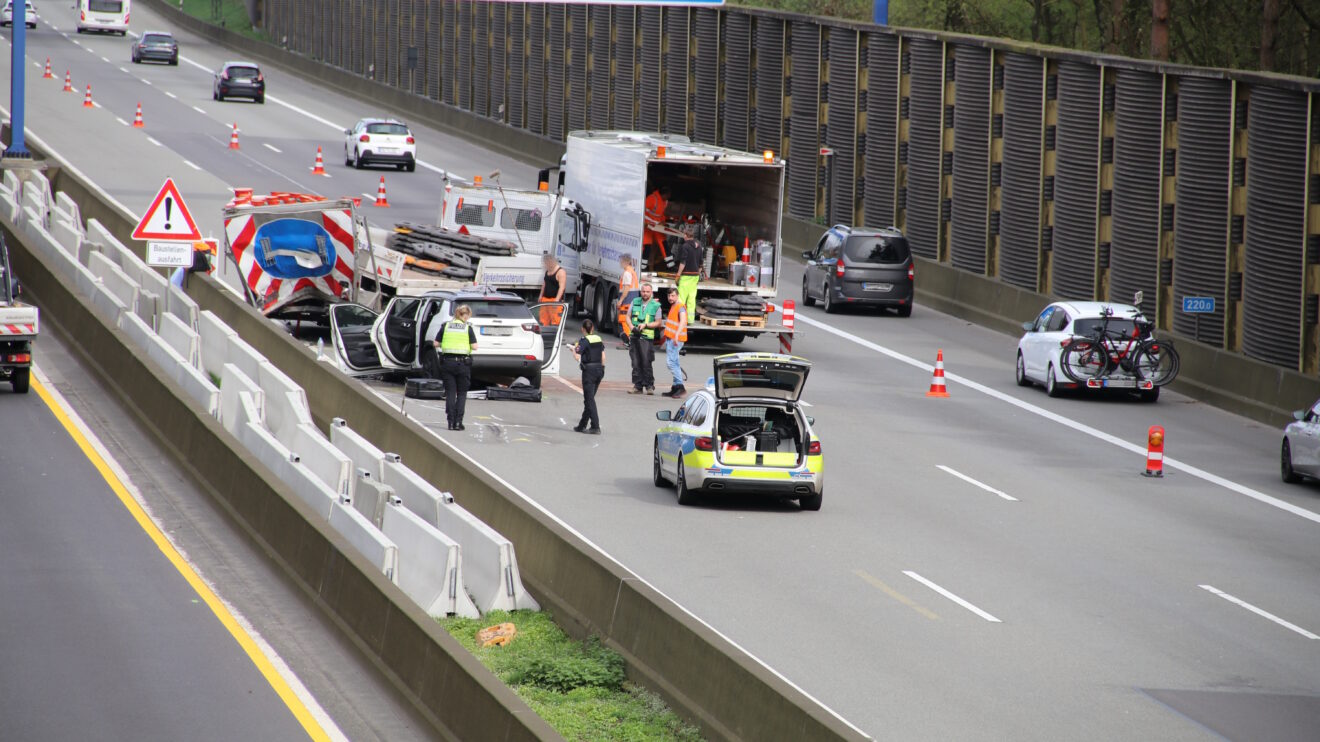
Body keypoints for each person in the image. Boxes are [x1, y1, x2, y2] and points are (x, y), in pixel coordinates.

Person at [432, 304, 478, 430]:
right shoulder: (467, 328)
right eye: (468, 316)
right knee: (462, 393)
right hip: (463, 364)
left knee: (451, 392)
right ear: (466, 315)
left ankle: (450, 422)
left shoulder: (446, 326)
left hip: (447, 363)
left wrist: (447, 343)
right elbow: (474, 347)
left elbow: (435, 343)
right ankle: (458, 422)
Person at [569, 319, 606, 434]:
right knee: (589, 399)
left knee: (589, 400)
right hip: (599, 369)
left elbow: (577, 357)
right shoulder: (598, 339)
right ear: (593, 329)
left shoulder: (584, 341)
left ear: (582, 329)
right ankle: (582, 424)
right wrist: (602, 369)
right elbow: (603, 356)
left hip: (589, 371)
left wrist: (572, 350)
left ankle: (595, 426)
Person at [626, 282, 662, 395]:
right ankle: (637, 386)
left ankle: (649, 386)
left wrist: (646, 325)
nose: (645, 293)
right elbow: (628, 316)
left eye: (647, 292)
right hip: (634, 336)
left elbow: (658, 322)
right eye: (643, 291)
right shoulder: (635, 301)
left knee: (646, 362)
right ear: (640, 291)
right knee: (635, 362)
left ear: (651, 293)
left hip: (647, 338)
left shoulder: (656, 306)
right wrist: (631, 327)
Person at [661, 287, 688, 398]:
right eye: (669, 296)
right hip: (671, 338)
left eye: (672, 296)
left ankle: (680, 387)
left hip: (675, 339)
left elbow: (683, 321)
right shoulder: (674, 306)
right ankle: (675, 387)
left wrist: (676, 335)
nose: (670, 298)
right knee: (675, 363)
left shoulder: (680, 306)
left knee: (671, 363)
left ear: (677, 296)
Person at [673, 224, 703, 318]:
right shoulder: (699, 246)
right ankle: (690, 320)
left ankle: (680, 318)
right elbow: (701, 263)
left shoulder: (685, 246)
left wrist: (678, 274)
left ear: (686, 235)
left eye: (684, 234)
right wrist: (698, 273)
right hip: (695, 276)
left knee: (681, 298)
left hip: (686, 276)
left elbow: (683, 262)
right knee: (691, 299)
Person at [643, 185, 673, 268]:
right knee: (647, 246)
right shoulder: (652, 199)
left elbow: (660, 214)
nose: (669, 197)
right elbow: (642, 210)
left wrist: (663, 221)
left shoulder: (665, 202)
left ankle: (670, 266)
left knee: (664, 244)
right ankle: (642, 267)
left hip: (657, 227)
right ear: (665, 194)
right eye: (669, 195)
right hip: (647, 226)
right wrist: (644, 223)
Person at [615, 253, 639, 348]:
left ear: (626, 262)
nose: (620, 263)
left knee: (624, 320)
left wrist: (620, 300)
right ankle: (631, 340)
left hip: (627, 301)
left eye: (621, 261)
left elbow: (626, 288)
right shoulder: (632, 271)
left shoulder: (627, 273)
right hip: (632, 300)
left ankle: (628, 341)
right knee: (630, 320)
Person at [538, 252, 566, 326]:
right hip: (545, 300)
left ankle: (555, 336)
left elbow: (562, 287)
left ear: (551, 261)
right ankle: (544, 336)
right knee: (543, 321)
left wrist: (557, 300)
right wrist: (541, 295)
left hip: (554, 300)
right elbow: (544, 284)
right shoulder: (547, 271)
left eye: (546, 263)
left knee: (555, 322)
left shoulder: (560, 272)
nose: (545, 265)